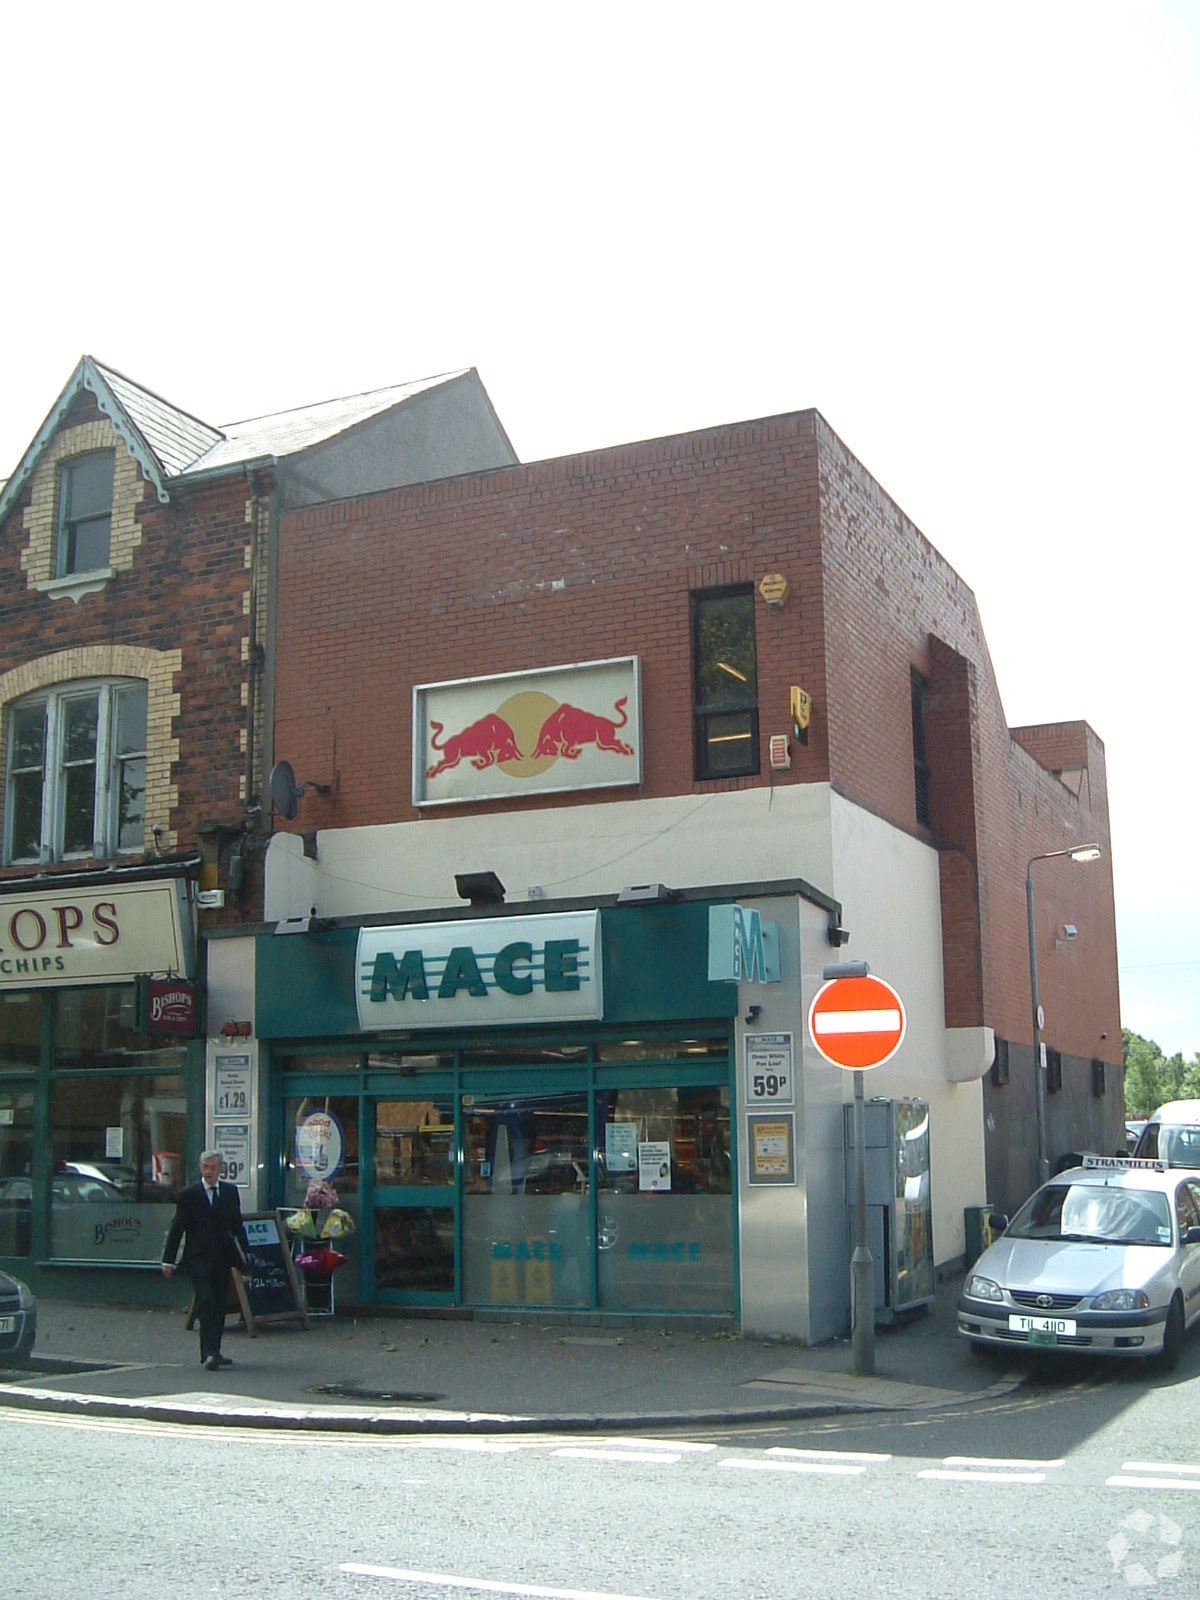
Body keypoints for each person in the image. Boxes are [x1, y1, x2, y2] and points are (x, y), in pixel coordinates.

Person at [162, 1151, 250, 1372]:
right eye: (205, 1167)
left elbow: (237, 1226)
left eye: (213, 1167)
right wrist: (168, 1261)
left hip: (222, 1257)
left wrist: (245, 1257)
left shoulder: (230, 1193)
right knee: (206, 1301)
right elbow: (177, 1228)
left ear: (221, 1169)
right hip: (198, 1259)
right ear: (200, 1168)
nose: (209, 1171)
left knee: (219, 1303)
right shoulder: (189, 1195)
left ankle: (215, 1351)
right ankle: (208, 1353)